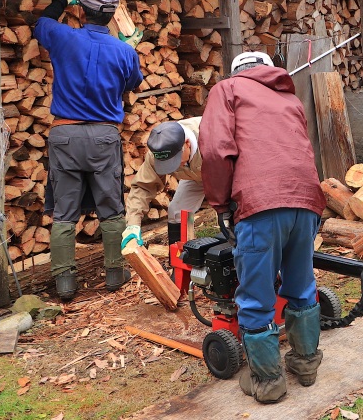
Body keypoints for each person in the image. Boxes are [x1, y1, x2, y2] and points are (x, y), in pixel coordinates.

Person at [200, 51, 326, 404]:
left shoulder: (226, 89)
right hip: (305, 198)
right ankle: (306, 365)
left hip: (260, 202)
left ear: (236, 71)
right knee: (301, 285)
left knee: (255, 298)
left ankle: (269, 383)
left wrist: (221, 204)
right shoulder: (289, 98)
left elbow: (214, 151)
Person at [34, 0, 143, 301]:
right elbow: (132, 83)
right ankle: (113, 273)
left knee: (65, 211)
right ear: (111, 17)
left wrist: (59, 1)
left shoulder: (64, 36)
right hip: (103, 136)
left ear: (80, 11)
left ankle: (64, 282)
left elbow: (42, 25)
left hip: (65, 135)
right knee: (111, 206)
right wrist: (127, 48)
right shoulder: (124, 51)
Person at [121, 118, 205, 255]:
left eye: (176, 161)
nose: (174, 166)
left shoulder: (212, 136)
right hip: (194, 176)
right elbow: (143, 187)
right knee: (178, 212)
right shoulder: (158, 153)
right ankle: (180, 264)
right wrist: (133, 224)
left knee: (235, 214)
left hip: (227, 173)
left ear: (187, 144)